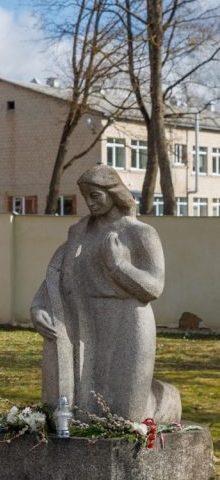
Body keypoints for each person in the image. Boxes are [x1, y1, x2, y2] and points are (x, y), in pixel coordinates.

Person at [31, 164, 180, 424]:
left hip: (128, 323)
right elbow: (58, 273)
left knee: (126, 418)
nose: (90, 203)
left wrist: (119, 266)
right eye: (86, 196)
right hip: (86, 324)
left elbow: (154, 287)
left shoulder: (140, 233)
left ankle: (165, 398)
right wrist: (39, 307)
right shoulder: (79, 234)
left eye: (95, 195)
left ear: (114, 193)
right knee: (84, 412)